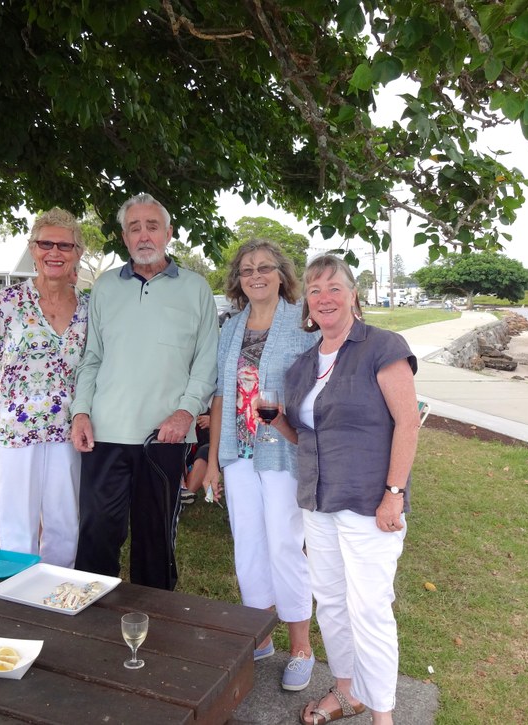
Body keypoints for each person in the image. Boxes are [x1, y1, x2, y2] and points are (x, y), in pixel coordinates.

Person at [282, 254, 420, 725]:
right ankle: (347, 692)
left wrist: (394, 493)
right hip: (318, 502)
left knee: (370, 609)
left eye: (334, 287)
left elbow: (407, 423)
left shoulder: (382, 346)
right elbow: (308, 436)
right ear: (306, 301)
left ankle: (383, 715)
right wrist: (277, 421)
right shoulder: (302, 365)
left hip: (368, 502)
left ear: (353, 294)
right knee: (333, 603)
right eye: (315, 290)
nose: (324, 298)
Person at [71, 192, 218, 590]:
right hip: (105, 433)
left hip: (163, 436)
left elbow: (207, 361)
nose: (144, 235)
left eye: (152, 226)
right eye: (135, 227)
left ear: (169, 233)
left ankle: (155, 632)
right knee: (97, 533)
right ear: (124, 236)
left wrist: (186, 412)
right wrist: (81, 412)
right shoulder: (103, 288)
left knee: (155, 543)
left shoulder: (196, 288)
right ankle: (91, 623)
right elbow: (91, 357)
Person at [197, 239, 319, 691]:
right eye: (247, 270)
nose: (256, 275)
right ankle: (260, 635)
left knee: (285, 543)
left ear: (282, 275)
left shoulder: (302, 322)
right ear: (237, 280)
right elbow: (220, 394)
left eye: (265, 267)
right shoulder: (231, 327)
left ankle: (301, 646)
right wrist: (212, 462)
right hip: (237, 451)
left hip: (281, 449)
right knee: (247, 542)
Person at [0, 207, 89, 568]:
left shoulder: (89, 308)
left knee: (64, 522)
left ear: (78, 252)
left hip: (67, 429)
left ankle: (57, 596)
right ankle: (18, 603)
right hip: (14, 426)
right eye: (46, 243)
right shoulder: (6, 302)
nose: (54, 252)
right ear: (33, 248)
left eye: (64, 245)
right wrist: (8, 405)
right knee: (16, 525)